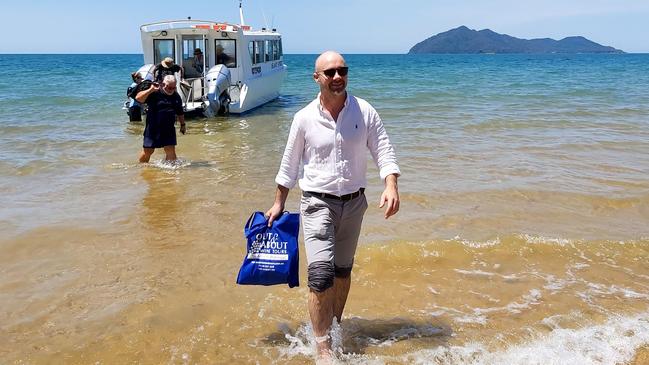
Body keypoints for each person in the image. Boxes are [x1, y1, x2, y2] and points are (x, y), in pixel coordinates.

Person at [265, 51, 401, 360]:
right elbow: (289, 164)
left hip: (354, 204)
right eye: (330, 72)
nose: (337, 76)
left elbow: (384, 149)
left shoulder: (364, 111)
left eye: (342, 70)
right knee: (321, 275)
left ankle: (333, 325)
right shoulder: (303, 118)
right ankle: (323, 346)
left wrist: (391, 184)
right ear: (317, 78)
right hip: (316, 203)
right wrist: (278, 203)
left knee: (342, 272)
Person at [135, 74, 186, 162]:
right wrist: (150, 90)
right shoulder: (154, 93)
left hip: (169, 128)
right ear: (163, 84)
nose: (172, 90)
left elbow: (180, 112)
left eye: (174, 88)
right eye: (169, 87)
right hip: (153, 128)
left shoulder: (176, 96)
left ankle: (170, 173)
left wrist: (183, 125)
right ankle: (142, 169)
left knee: (171, 151)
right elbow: (138, 98)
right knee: (148, 151)